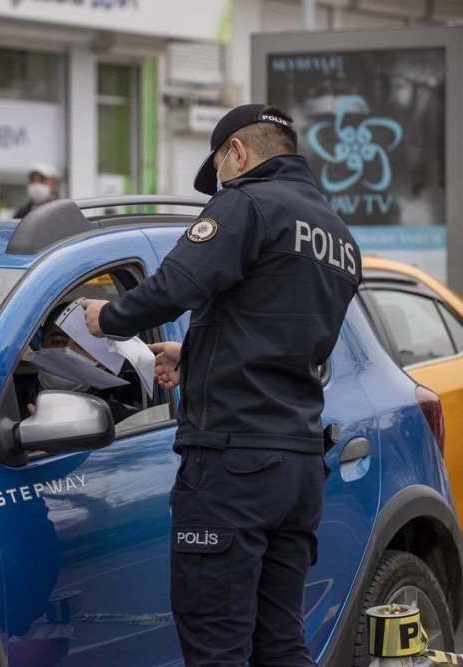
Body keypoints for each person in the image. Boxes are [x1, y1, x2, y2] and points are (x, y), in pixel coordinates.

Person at [82, 104, 362, 667]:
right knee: (281, 642)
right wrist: (196, 354)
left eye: (220, 172)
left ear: (237, 152)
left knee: (217, 645)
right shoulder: (336, 232)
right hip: (299, 465)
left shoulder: (246, 203)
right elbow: (283, 335)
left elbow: (174, 286)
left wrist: (106, 319)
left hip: (235, 466)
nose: (220, 188)